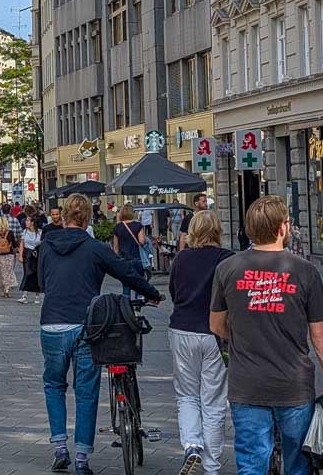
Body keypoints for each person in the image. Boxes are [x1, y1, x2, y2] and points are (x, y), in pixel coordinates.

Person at [209, 195, 323, 475]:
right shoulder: (304, 271)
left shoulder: (227, 269)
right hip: (293, 385)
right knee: (298, 462)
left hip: (246, 383)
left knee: (251, 462)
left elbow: (216, 325)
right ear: (283, 228)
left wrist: (242, 336)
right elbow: (319, 332)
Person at [38, 194, 161, 474]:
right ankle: (82, 458)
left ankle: (59, 448)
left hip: (51, 324)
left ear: (65, 215)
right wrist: (153, 294)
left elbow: (44, 281)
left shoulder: (47, 246)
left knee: (54, 386)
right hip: (85, 326)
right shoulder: (95, 247)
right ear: (88, 218)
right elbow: (126, 273)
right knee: (86, 391)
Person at [169, 211, 233, 475]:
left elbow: (173, 292)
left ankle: (192, 445)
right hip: (215, 334)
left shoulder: (182, 258)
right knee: (214, 400)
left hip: (182, 329)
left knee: (187, 394)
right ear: (218, 231)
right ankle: (212, 467)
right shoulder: (227, 258)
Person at [111, 204, 147, 299]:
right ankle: (137, 307)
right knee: (139, 284)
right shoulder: (138, 225)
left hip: (124, 261)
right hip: (136, 258)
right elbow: (142, 242)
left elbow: (115, 248)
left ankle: (126, 308)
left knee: (126, 286)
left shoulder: (117, 228)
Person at [0, 215, 18, 298]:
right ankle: (7, 289)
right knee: (9, 272)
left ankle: (3, 289)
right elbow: (14, 244)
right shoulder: (10, 232)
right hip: (9, 255)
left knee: (1, 272)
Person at [18, 213, 43, 304]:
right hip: (28, 254)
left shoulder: (40, 232)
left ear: (32, 222)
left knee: (37, 274)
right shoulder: (24, 232)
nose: (25, 222)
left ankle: (37, 296)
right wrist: (20, 255)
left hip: (37, 254)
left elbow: (42, 244)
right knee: (27, 273)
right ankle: (24, 295)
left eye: (28, 220)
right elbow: (22, 244)